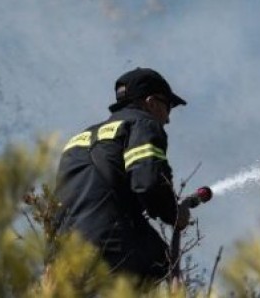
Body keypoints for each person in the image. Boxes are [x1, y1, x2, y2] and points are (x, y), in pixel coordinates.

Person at [54, 67, 191, 284]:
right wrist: (175, 214)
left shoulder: (80, 137)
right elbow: (148, 182)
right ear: (151, 102)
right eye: (169, 107)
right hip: (112, 251)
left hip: (62, 256)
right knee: (163, 263)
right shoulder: (143, 124)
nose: (168, 119)